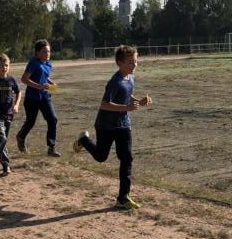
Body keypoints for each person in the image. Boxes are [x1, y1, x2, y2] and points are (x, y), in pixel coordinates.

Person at [73, 44, 151, 209]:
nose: (134, 65)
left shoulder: (130, 78)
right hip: (106, 125)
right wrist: (127, 107)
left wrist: (139, 102)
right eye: (130, 62)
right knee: (101, 157)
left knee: (127, 158)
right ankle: (83, 140)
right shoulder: (114, 82)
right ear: (119, 63)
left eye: (136, 61)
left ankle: (123, 198)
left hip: (123, 124)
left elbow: (126, 95)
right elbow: (105, 104)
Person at [16, 39, 60, 157]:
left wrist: (51, 84)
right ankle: (21, 137)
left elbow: (44, 76)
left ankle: (51, 147)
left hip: (44, 97)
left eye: (49, 51)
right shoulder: (33, 63)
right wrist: (39, 86)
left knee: (53, 119)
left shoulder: (48, 64)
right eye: (44, 51)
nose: (48, 54)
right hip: (32, 98)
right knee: (30, 122)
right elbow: (24, 79)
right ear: (37, 52)